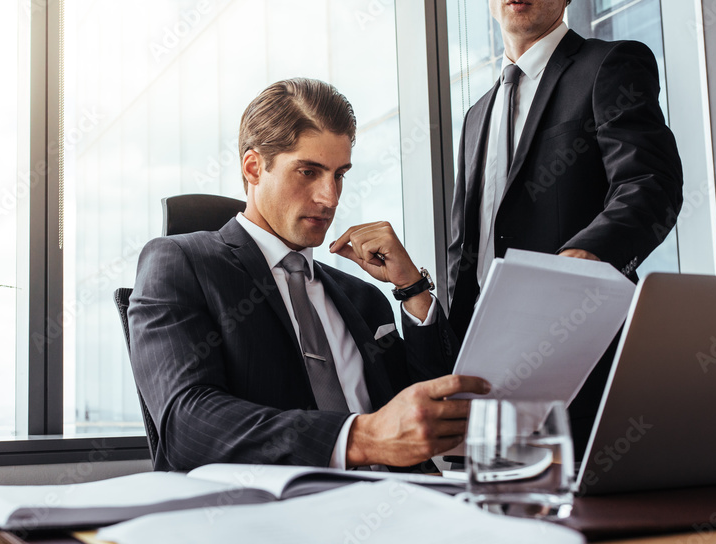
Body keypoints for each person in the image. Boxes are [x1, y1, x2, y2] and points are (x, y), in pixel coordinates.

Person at [129, 78, 489, 472]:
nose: (330, 198)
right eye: (308, 172)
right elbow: (186, 426)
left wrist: (412, 287)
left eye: (339, 175)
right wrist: (360, 439)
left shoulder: (362, 299)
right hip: (276, 517)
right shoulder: (181, 263)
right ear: (253, 167)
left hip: (404, 508)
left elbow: (441, 409)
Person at [446, 0, 684, 455]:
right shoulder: (476, 116)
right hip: (490, 372)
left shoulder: (609, 65)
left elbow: (649, 184)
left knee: (591, 511)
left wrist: (584, 261)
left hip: (585, 348)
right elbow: (466, 248)